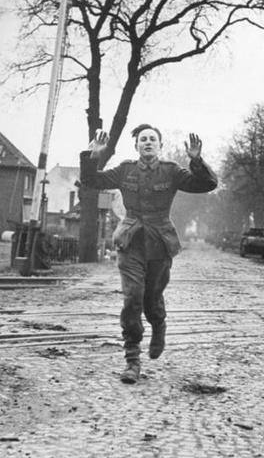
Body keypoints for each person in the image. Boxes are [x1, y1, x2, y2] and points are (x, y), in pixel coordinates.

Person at [80, 125, 218, 384]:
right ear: (136, 146)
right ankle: (132, 360)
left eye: (152, 139)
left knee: (152, 297)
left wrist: (196, 160)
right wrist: (93, 155)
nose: (147, 143)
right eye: (143, 140)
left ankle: (158, 324)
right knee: (133, 297)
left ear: (160, 145)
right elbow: (90, 181)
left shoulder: (171, 171)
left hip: (160, 241)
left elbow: (208, 184)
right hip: (131, 240)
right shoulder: (125, 170)